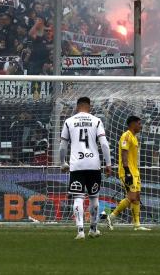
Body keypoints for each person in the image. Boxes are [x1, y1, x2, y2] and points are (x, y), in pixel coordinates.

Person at [59, 97, 111, 240]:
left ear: (77, 107)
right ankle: (93, 229)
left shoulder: (69, 122)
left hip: (77, 165)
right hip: (93, 164)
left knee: (78, 197)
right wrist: (108, 164)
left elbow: (63, 145)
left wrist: (63, 162)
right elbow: (104, 144)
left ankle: (80, 231)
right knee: (94, 198)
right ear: (90, 106)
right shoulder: (96, 121)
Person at [107, 115, 149, 231]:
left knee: (136, 197)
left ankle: (137, 225)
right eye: (139, 123)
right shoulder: (126, 136)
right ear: (132, 124)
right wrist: (127, 172)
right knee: (131, 197)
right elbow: (124, 154)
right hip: (127, 171)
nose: (141, 126)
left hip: (135, 171)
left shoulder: (134, 137)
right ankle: (111, 216)